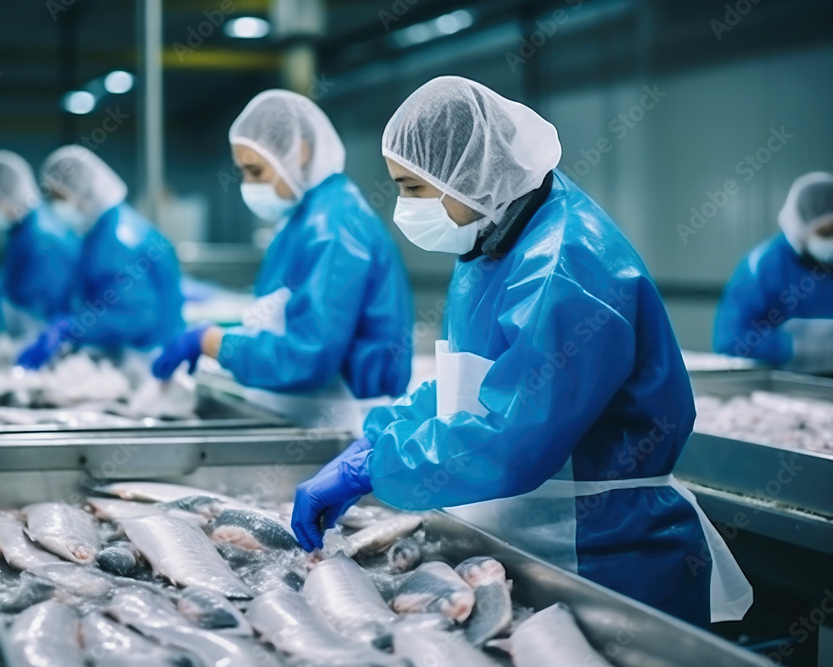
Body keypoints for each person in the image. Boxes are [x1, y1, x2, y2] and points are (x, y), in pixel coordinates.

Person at [290, 76, 752, 626]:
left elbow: (511, 439)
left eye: (413, 188)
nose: (403, 208)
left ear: (469, 174)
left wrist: (376, 466)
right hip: (538, 535)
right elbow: (471, 384)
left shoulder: (564, 265)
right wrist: (378, 436)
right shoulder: (493, 241)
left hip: (607, 553)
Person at [151, 90, 413, 429]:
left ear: (300, 152)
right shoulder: (303, 218)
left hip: (341, 419)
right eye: (243, 172)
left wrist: (214, 342)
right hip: (305, 410)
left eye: (255, 171)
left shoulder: (333, 227)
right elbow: (281, 317)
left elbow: (309, 356)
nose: (248, 185)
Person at [16, 146, 184, 368]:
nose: (55, 208)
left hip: (148, 361)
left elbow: (136, 317)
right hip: (137, 356)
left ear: (85, 191)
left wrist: (72, 328)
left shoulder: (118, 240)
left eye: (60, 197)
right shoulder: (104, 231)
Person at [714, 172, 833, 374]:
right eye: (825, 232)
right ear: (800, 226)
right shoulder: (762, 267)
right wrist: (792, 346)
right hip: (785, 385)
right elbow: (730, 339)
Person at [0, 150, 80, 335]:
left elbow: (41, 309)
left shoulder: (44, 238)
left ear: (11, 194)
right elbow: (7, 280)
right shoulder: (21, 230)